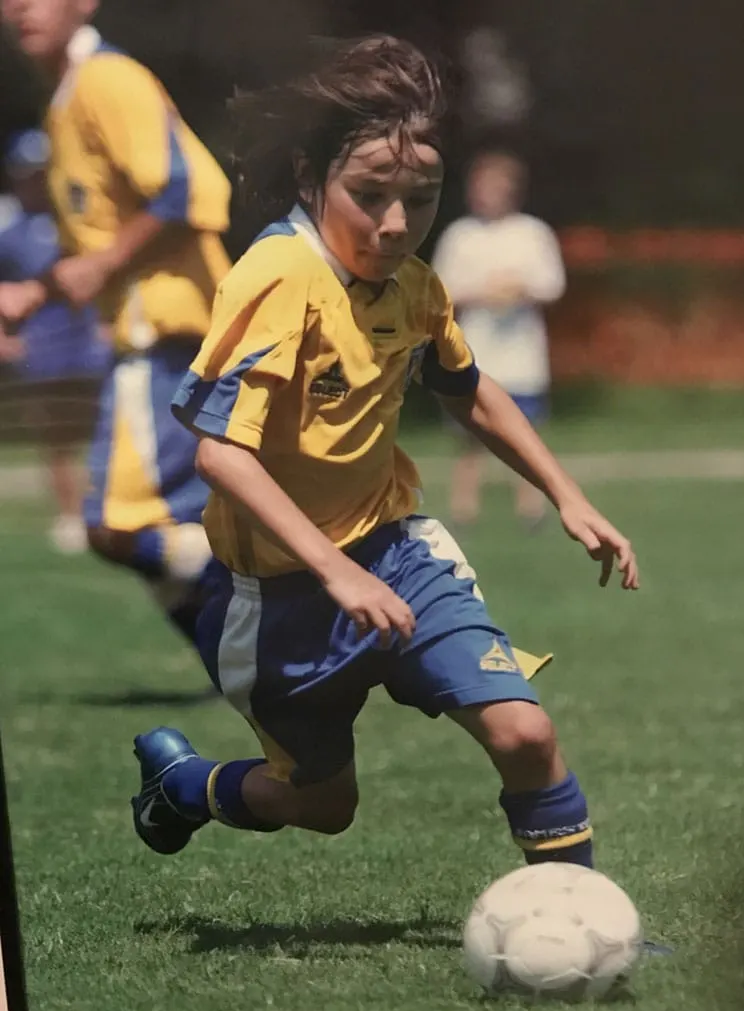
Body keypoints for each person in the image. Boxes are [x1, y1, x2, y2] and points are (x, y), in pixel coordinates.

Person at [127, 35, 638, 869]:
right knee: (324, 806)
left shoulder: (414, 286)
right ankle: (185, 785)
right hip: (282, 598)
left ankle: (579, 913)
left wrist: (565, 493)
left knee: (525, 729)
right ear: (308, 177)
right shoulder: (281, 278)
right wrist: (336, 572)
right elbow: (221, 455)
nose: (397, 224)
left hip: (400, 555)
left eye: (423, 198)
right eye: (369, 196)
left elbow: (466, 385)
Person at [0, 0, 233, 667]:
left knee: (113, 526)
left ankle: (278, 577)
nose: (21, 8)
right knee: (172, 537)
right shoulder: (66, 100)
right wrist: (38, 289)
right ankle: (254, 677)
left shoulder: (108, 81)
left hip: (165, 339)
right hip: (157, 342)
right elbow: (101, 240)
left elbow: (188, 192)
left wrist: (101, 263)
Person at [431, 151, 566, 528]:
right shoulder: (460, 236)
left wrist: (519, 287)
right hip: (476, 352)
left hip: (522, 354)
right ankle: (464, 508)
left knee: (525, 434)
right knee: (469, 436)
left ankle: (531, 507)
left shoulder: (533, 233)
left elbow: (552, 284)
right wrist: (483, 291)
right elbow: (441, 290)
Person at [0, 127, 109, 554]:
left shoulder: (76, 220)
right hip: (41, 348)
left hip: (87, 341)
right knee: (56, 435)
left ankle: (105, 511)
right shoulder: (9, 229)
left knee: (103, 428)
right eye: (29, 173)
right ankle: (69, 516)